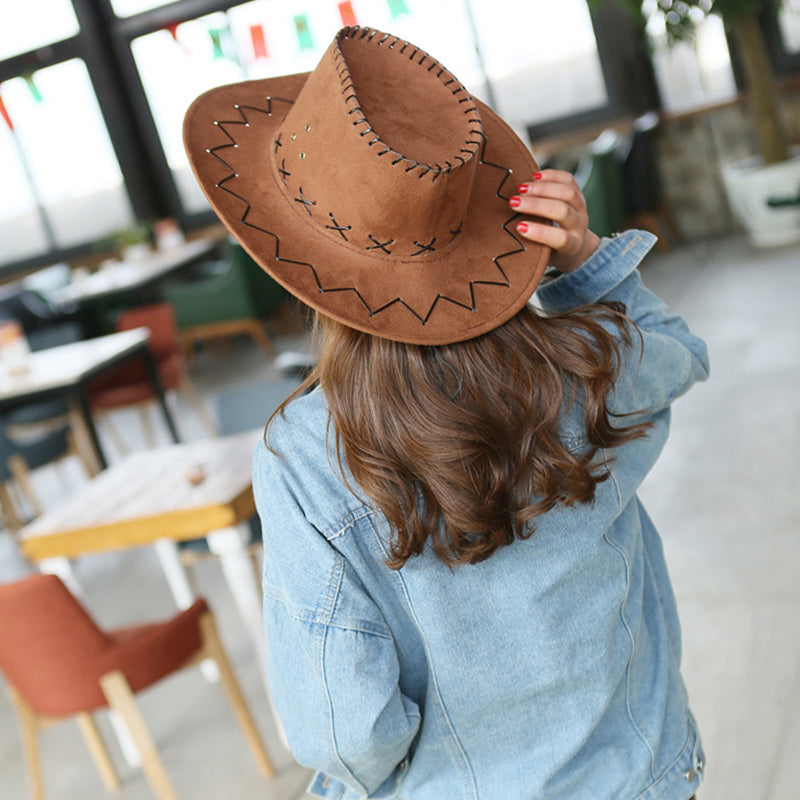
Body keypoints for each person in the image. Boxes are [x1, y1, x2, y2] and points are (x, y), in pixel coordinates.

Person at [183, 26, 709, 800]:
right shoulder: (580, 364)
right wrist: (585, 259)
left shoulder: (305, 455)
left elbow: (342, 729)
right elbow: (680, 353)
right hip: (648, 776)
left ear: (300, 259)